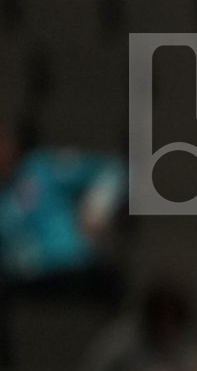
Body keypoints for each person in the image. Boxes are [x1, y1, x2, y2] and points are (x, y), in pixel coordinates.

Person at [0, 120, 125, 286]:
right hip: (23, 284)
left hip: (75, 271)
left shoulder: (40, 169)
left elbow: (113, 169)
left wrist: (97, 208)